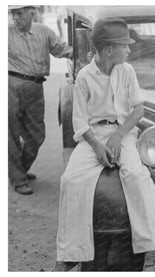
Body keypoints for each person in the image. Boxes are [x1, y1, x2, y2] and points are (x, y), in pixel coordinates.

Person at [53, 17, 155, 271]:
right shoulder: (84, 77)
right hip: (92, 138)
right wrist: (98, 147)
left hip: (124, 133)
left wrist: (119, 136)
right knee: (72, 180)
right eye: (125, 45)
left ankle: (153, 248)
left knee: (136, 174)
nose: (129, 50)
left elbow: (138, 109)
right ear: (109, 49)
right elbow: (79, 122)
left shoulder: (126, 70)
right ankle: (70, 254)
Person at [8, 5, 73, 195]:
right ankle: (18, 179)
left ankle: (17, 169)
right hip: (10, 84)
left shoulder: (43, 31)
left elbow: (61, 50)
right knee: (10, 135)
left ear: (32, 13)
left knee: (36, 135)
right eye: (13, 13)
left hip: (36, 87)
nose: (15, 17)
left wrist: (88, 53)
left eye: (19, 13)